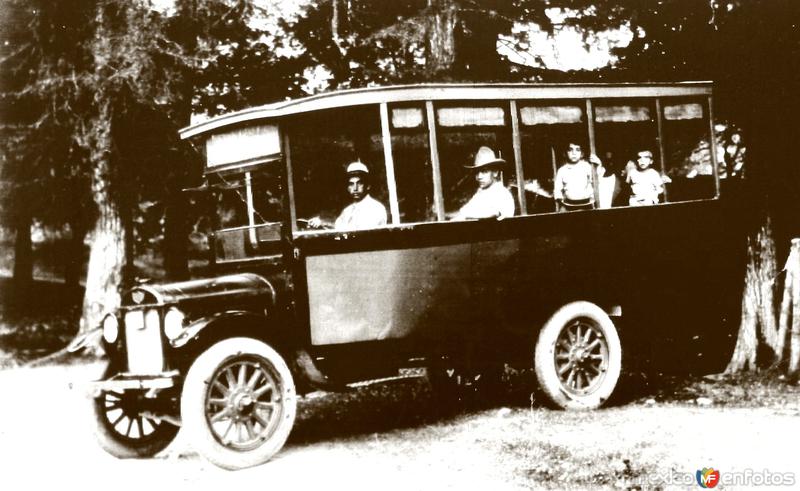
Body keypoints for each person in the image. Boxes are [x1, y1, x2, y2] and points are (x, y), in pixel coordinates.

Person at [307, 161, 387, 230]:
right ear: (348, 187)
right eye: (351, 184)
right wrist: (321, 223)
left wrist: (326, 223)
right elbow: (338, 228)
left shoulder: (375, 208)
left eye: (359, 183)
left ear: (368, 185)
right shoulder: (347, 210)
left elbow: (360, 233)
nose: (355, 188)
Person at [452, 146, 515, 220]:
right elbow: (463, 212)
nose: (479, 176)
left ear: (495, 172)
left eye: (484, 171)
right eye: (477, 172)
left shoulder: (502, 193)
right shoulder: (480, 193)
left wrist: (466, 215)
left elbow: (493, 213)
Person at [553, 142, 602, 211]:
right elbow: (557, 188)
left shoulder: (587, 166)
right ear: (565, 153)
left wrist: (599, 165)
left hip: (587, 204)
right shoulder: (562, 170)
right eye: (570, 150)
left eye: (577, 150)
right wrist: (559, 198)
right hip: (569, 204)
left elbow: (597, 179)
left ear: (582, 153)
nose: (574, 153)